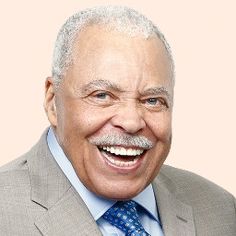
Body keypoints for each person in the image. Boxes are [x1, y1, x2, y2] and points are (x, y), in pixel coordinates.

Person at [0, 6, 235, 236]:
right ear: (53, 102)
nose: (131, 122)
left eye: (152, 100)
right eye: (102, 96)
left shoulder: (221, 211)